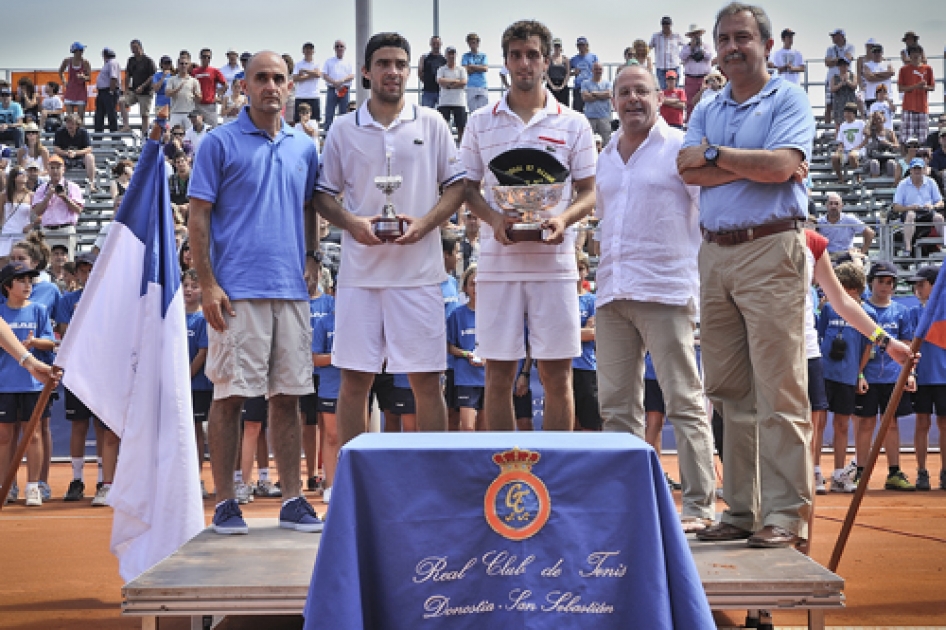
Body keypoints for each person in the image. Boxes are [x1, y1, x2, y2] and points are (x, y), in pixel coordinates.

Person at [678, 2, 816, 549]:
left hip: (770, 246)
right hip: (714, 255)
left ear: (764, 45)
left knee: (779, 388)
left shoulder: (788, 96)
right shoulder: (708, 104)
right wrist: (747, 160)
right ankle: (742, 509)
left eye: (743, 37)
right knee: (730, 390)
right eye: (725, 39)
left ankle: (786, 513)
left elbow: (783, 167)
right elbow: (686, 166)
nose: (733, 47)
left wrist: (717, 158)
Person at [188, 51, 323, 535]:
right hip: (236, 292)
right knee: (229, 398)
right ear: (243, 86)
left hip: (290, 290)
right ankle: (226, 502)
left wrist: (313, 256)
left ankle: (292, 499)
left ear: (290, 87)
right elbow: (198, 215)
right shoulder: (217, 142)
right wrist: (207, 283)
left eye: (278, 78)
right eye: (261, 78)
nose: (271, 85)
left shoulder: (305, 146)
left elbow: (311, 206)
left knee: (288, 397)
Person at [313, 32, 465, 448]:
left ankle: (435, 480)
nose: (392, 72)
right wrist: (353, 223)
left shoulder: (432, 122)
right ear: (365, 71)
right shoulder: (344, 128)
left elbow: (456, 186)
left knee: (426, 382)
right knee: (354, 380)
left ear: (410, 70)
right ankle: (351, 479)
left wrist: (427, 223)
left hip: (418, 275)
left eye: (400, 64)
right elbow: (323, 195)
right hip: (361, 276)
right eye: (383, 63)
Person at [461, 19, 596, 432]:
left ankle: (552, 476)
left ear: (547, 61)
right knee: (498, 377)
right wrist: (493, 220)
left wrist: (561, 219)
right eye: (517, 55)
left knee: (557, 376)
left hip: (555, 267)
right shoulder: (480, 121)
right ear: (505, 62)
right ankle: (508, 475)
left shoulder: (574, 123)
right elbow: (467, 189)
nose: (525, 63)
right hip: (499, 266)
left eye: (532, 54)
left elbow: (590, 192)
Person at [597, 63, 716, 531]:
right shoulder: (605, 154)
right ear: (612, 101)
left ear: (658, 97)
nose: (632, 99)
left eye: (640, 91)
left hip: (666, 290)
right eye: (624, 92)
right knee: (616, 409)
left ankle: (701, 507)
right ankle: (627, 508)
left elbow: (707, 214)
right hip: (612, 293)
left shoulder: (680, 148)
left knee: (684, 401)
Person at [854, 262, 916, 490]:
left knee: (891, 424)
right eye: (880, 281)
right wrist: (859, 373)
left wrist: (909, 374)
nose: (885, 286)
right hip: (868, 377)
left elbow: (907, 345)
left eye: (890, 282)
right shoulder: (862, 311)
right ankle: (861, 473)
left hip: (892, 377)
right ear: (871, 282)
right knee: (866, 424)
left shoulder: (901, 312)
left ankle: (894, 472)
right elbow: (858, 346)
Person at [0, 261, 55, 506]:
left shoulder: (39, 310)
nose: (27, 284)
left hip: (32, 383)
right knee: (4, 437)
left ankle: (33, 486)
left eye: (30, 280)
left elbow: (51, 342)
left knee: (32, 436)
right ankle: (7, 484)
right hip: (4, 384)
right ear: (7, 286)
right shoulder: (1, 312)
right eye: (21, 280)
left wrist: (33, 344)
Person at [907, 266, 946, 491]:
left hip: (943, 378)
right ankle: (922, 472)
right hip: (922, 378)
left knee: (944, 425)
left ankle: (945, 472)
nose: (917, 289)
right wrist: (911, 372)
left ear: (935, 285)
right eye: (916, 285)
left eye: (922, 285)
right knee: (922, 423)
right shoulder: (913, 314)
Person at [182, 269, 212, 498]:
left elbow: (202, 353)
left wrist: (185, 377)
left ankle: (197, 478)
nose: (189, 289)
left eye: (194, 285)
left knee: (195, 432)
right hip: (178, 386)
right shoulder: (173, 317)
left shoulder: (202, 319)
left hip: (197, 386)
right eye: (186, 285)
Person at [447, 266, 484, 431]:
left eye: (479, 283)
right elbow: (448, 345)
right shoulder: (457, 314)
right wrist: (465, 354)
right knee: (468, 429)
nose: (476, 288)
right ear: (465, 288)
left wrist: (487, 358)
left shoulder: (494, 313)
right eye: (472, 284)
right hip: (466, 378)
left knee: (487, 432)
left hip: (489, 377)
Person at [310, 305, 340, 503]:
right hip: (330, 387)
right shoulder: (324, 323)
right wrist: (338, 356)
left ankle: (348, 484)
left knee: (354, 436)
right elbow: (315, 358)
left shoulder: (361, 320)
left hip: (357, 389)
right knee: (331, 436)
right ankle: (330, 485)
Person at [31, 155, 83, 259]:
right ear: (48, 170)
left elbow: (79, 209)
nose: (55, 171)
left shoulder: (72, 187)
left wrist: (65, 198)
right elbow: (37, 211)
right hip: (47, 231)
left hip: (66, 229)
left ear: (63, 169)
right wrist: (47, 197)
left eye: (58, 167)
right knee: (47, 264)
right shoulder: (42, 189)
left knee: (67, 264)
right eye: (52, 167)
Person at [572, 254, 600, 432]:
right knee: (567, 423)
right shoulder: (559, 300)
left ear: (586, 271)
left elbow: (595, 334)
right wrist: (583, 330)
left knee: (590, 424)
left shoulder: (592, 300)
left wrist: (566, 333)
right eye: (573, 268)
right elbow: (553, 333)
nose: (576, 273)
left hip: (587, 366)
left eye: (580, 268)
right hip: (563, 366)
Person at [816, 192, 874, 258]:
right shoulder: (819, 222)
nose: (833, 206)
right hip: (826, 255)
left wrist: (862, 252)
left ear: (842, 206)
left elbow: (870, 233)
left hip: (846, 255)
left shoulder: (850, 219)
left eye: (836, 203)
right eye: (831, 203)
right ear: (826, 205)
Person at [898, 46, 935, 146]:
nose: (915, 55)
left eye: (917, 52)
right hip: (908, 107)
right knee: (905, 139)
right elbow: (900, 88)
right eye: (913, 52)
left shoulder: (928, 68)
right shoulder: (904, 69)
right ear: (909, 55)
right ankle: (905, 160)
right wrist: (916, 86)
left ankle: (922, 161)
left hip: (922, 107)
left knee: (923, 139)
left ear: (921, 54)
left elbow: (932, 87)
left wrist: (924, 87)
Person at [51, 114, 96, 188]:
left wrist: (76, 153)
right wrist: (66, 153)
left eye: (72, 123)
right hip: (65, 157)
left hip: (80, 158)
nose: (69, 125)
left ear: (77, 125)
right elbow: (56, 148)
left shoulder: (83, 132)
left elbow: (89, 148)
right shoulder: (60, 132)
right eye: (67, 123)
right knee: (54, 158)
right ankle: (56, 183)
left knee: (90, 157)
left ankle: (91, 184)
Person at [680, 24, 715, 118]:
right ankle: (690, 125)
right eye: (693, 34)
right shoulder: (686, 47)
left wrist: (701, 49)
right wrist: (691, 48)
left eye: (697, 34)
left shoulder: (706, 46)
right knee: (690, 103)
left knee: (707, 101)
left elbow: (709, 56)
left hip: (705, 78)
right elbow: (682, 56)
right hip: (691, 78)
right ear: (690, 36)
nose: (695, 36)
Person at [122, 39, 156, 133]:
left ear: (140, 47)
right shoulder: (131, 60)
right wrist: (126, 89)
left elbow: (152, 76)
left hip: (146, 92)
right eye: (132, 48)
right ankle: (126, 126)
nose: (134, 50)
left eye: (135, 47)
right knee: (122, 101)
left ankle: (144, 135)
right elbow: (128, 75)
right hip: (134, 90)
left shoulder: (148, 61)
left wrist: (143, 86)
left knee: (144, 115)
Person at [0, 168, 34, 262]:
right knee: (4, 262)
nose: (24, 175)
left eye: (25, 173)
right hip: (7, 234)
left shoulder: (31, 195)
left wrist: (31, 225)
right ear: (14, 177)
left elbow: (41, 215)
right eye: (21, 173)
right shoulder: (4, 195)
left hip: (23, 234)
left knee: (23, 261)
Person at [824, 28, 855, 127]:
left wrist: (834, 60)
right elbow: (827, 62)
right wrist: (840, 59)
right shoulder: (830, 49)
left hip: (846, 78)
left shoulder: (850, 46)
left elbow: (848, 58)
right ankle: (827, 128)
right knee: (829, 105)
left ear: (841, 36)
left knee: (848, 105)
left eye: (834, 35)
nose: (832, 38)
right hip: (832, 79)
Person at [437, 47, 468, 142]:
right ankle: (446, 146)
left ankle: (462, 148)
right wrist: (455, 81)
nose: (451, 56)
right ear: (446, 55)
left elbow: (463, 82)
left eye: (453, 53)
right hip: (444, 102)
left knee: (461, 126)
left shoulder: (461, 69)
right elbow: (440, 81)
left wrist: (449, 85)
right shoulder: (441, 69)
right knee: (444, 126)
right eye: (449, 53)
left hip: (459, 102)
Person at [323, 41, 354, 132]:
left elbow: (352, 75)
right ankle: (327, 135)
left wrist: (342, 81)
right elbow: (324, 75)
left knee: (344, 114)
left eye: (341, 46)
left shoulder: (348, 62)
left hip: (344, 90)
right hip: (332, 89)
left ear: (345, 48)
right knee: (329, 113)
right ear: (334, 48)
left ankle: (343, 133)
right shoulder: (329, 61)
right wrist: (334, 83)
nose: (339, 48)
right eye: (337, 46)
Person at [166, 52, 201, 131]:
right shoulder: (172, 80)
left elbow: (199, 99)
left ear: (189, 65)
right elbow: (167, 94)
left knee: (190, 137)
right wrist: (177, 89)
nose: (183, 66)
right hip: (175, 113)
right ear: (178, 65)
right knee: (174, 136)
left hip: (190, 113)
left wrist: (195, 94)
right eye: (181, 63)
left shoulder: (194, 81)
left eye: (186, 64)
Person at [191, 49, 227, 126]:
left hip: (210, 106)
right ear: (200, 57)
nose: (206, 59)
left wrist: (219, 95)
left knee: (212, 129)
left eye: (208, 57)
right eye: (204, 57)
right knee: (197, 129)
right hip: (197, 105)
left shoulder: (214, 71)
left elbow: (225, 85)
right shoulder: (194, 72)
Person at [832, 102, 866, 182]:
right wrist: (839, 149)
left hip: (859, 149)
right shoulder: (843, 125)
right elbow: (841, 142)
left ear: (854, 113)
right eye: (845, 112)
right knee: (834, 157)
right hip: (846, 151)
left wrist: (857, 147)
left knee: (852, 156)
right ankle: (841, 178)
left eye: (849, 112)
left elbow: (866, 140)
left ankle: (858, 178)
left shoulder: (861, 123)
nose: (846, 114)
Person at [58, 42, 92, 122]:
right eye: (80, 50)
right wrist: (64, 81)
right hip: (70, 90)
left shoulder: (85, 62)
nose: (82, 52)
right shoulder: (67, 61)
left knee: (80, 118)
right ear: (75, 51)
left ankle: (79, 133)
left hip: (81, 91)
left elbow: (89, 77)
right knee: (70, 118)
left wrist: (83, 77)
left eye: (82, 50)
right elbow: (60, 71)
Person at [581, 63, 613, 145]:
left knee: (607, 143)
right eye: (596, 69)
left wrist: (593, 93)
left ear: (602, 71)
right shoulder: (585, 83)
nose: (598, 71)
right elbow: (585, 97)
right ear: (592, 70)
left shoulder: (607, 83)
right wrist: (602, 95)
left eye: (600, 69)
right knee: (588, 143)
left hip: (604, 117)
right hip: (590, 117)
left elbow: (609, 95)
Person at [863, 109, 900, 179]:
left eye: (879, 118)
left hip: (886, 158)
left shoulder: (890, 133)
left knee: (891, 163)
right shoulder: (871, 132)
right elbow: (865, 132)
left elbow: (897, 146)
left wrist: (888, 143)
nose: (878, 121)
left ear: (883, 119)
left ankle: (891, 186)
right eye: (875, 119)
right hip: (872, 158)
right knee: (874, 163)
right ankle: (874, 184)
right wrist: (870, 119)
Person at [650, 17, 684, 89]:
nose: (666, 26)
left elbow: (686, 46)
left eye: (667, 24)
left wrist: (683, 58)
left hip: (674, 67)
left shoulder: (677, 36)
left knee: (675, 90)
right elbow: (648, 48)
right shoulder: (656, 36)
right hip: (661, 68)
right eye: (664, 24)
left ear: (671, 25)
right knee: (663, 90)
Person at [293, 43, 322, 124]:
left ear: (313, 51)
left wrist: (305, 71)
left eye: (310, 49)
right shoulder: (298, 64)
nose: (308, 51)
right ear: (303, 51)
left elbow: (318, 74)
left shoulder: (317, 63)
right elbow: (295, 78)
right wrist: (311, 75)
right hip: (301, 95)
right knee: (299, 122)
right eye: (306, 49)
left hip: (314, 95)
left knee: (314, 122)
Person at [94, 47, 121, 133]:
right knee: (99, 115)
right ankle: (98, 138)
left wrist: (111, 91)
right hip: (102, 92)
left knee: (111, 114)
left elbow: (113, 78)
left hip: (108, 91)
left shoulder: (112, 63)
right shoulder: (107, 63)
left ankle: (115, 138)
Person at [860, 44, 894, 111]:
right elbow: (869, 78)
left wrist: (874, 74)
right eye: (874, 52)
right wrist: (885, 76)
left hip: (886, 96)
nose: (877, 54)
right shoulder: (867, 64)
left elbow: (891, 73)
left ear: (882, 53)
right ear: (872, 53)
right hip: (871, 96)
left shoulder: (888, 63)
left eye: (879, 52)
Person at [569, 36, 598, 114]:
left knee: (592, 112)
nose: (581, 47)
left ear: (586, 45)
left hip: (590, 88)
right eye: (579, 45)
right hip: (578, 88)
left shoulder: (593, 57)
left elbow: (598, 70)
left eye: (583, 45)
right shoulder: (573, 59)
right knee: (577, 112)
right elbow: (566, 73)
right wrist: (573, 73)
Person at [462, 33, 490, 112]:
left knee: (484, 112)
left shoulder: (483, 56)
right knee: (473, 113)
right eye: (470, 43)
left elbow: (485, 68)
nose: (472, 45)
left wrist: (471, 66)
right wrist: (478, 67)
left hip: (482, 85)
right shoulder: (465, 56)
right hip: (471, 86)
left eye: (474, 42)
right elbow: (465, 70)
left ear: (478, 43)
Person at [830, 58, 857, 135]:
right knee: (838, 125)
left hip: (850, 101)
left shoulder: (852, 75)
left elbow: (854, 86)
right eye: (841, 65)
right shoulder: (834, 77)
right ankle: (838, 143)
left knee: (852, 123)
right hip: (839, 103)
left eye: (845, 65)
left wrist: (847, 81)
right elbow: (832, 89)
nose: (843, 67)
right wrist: (841, 83)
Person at [418, 36, 447, 109]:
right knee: (426, 115)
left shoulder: (444, 59)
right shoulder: (424, 57)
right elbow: (420, 72)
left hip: (441, 92)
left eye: (437, 43)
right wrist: (427, 81)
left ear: (441, 44)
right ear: (430, 44)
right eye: (434, 43)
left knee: (442, 116)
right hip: (428, 91)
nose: (436, 45)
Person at [546, 38, 570, 107]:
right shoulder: (549, 59)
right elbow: (546, 73)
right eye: (555, 46)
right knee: (550, 106)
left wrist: (562, 86)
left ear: (561, 47)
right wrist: (552, 86)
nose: (557, 48)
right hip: (551, 84)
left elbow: (567, 73)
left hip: (562, 84)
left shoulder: (565, 59)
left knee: (564, 107)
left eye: (558, 46)